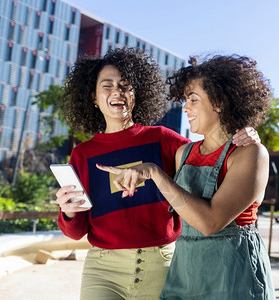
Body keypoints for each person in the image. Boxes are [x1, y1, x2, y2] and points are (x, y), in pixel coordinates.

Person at [54, 47, 259, 299]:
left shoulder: (163, 139)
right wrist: (69, 211)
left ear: (136, 95)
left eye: (125, 85)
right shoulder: (82, 155)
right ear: (94, 98)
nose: (117, 91)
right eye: (107, 86)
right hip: (102, 270)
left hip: (161, 265)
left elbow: (213, 153)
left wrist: (246, 133)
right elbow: (76, 233)